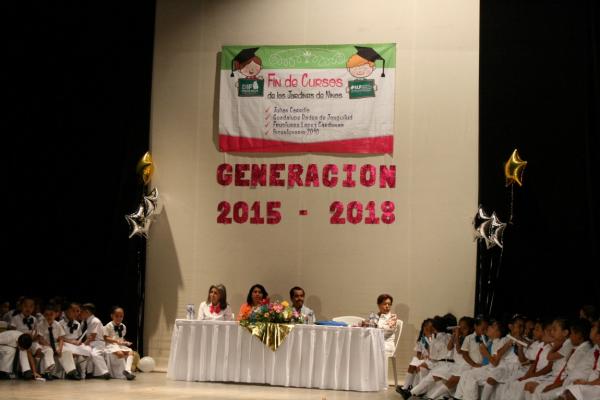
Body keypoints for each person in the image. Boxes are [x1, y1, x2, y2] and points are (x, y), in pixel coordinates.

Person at [9, 297, 55, 379]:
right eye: (26, 306)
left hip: (32, 342)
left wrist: (45, 343)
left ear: (34, 308)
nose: (28, 308)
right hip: (20, 342)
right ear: (21, 306)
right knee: (25, 350)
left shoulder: (34, 319)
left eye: (31, 306)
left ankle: (46, 371)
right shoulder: (15, 318)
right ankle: (27, 371)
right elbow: (11, 332)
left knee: (47, 349)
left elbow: (38, 334)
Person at [36, 304, 80, 380]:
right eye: (47, 315)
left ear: (55, 315)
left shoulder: (57, 324)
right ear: (44, 315)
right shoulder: (40, 324)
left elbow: (61, 338)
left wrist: (59, 348)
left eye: (51, 314)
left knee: (66, 351)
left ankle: (71, 372)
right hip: (44, 345)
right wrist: (50, 346)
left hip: (55, 344)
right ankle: (47, 372)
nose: (49, 317)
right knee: (49, 350)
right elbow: (40, 338)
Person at [561, 319, 600, 400]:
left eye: (594, 328)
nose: (591, 329)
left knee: (572, 392)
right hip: (591, 384)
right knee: (568, 391)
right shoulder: (595, 348)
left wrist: (587, 383)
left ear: (598, 335)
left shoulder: (586, 349)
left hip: (595, 386)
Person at [58, 302, 91, 378]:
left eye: (77, 311)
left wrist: (79, 342)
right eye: (73, 311)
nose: (76, 313)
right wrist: (71, 341)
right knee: (69, 351)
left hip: (74, 344)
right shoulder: (60, 323)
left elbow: (77, 337)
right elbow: (59, 338)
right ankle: (71, 372)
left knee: (88, 350)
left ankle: (83, 373)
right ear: (66, 311)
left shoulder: (78, 324)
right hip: (64, 343)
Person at [79, 303, 111, 379]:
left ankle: (105, 372)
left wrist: (82, 345)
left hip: (98, 343)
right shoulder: (84, 322)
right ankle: (86, 372)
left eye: (81, 311)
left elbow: (92, 337)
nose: (80, 313)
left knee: (94, 354)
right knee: (82, 352)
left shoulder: (95, 321)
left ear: (87, 312)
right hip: (89, 343)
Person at [104, 306, 135, 380]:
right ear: (112, 316)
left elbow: (121, 338)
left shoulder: (123, 326)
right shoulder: (108, 326)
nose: (119, 318)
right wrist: (116, 341)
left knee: (131, 352)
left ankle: (127, 371)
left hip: (119, 345)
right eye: (117, 316)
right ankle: (119, 374)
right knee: (120, 353)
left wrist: (125, 342)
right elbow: (105, 338)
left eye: (121, 316)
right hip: (110, 345)